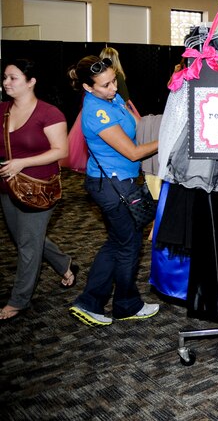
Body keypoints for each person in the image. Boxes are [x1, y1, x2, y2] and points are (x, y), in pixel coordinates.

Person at [68, 56, 159, 327]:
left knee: (117, 242)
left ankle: (90, 301)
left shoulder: (112, 99)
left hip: (121, 182)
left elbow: (137, 127)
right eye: (105, 85)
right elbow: (132, 152)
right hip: (112, 187)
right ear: (87, 87)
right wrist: (168, 138)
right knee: (129, 245)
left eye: (113, 81)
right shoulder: (97, 112)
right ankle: (125, 305)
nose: (113, 88)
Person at [0, 59, 75, 321]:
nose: (6, 82)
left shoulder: (49, 113)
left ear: (31, 82)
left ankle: (18, 300)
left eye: (13, 78)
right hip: (7, 186)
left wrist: (23, 162)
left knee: (28, 246)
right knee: (27, 238)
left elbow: (61, 151)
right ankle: (63, 263)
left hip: (39, 188)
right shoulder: (2, 110)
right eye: (5, 78)